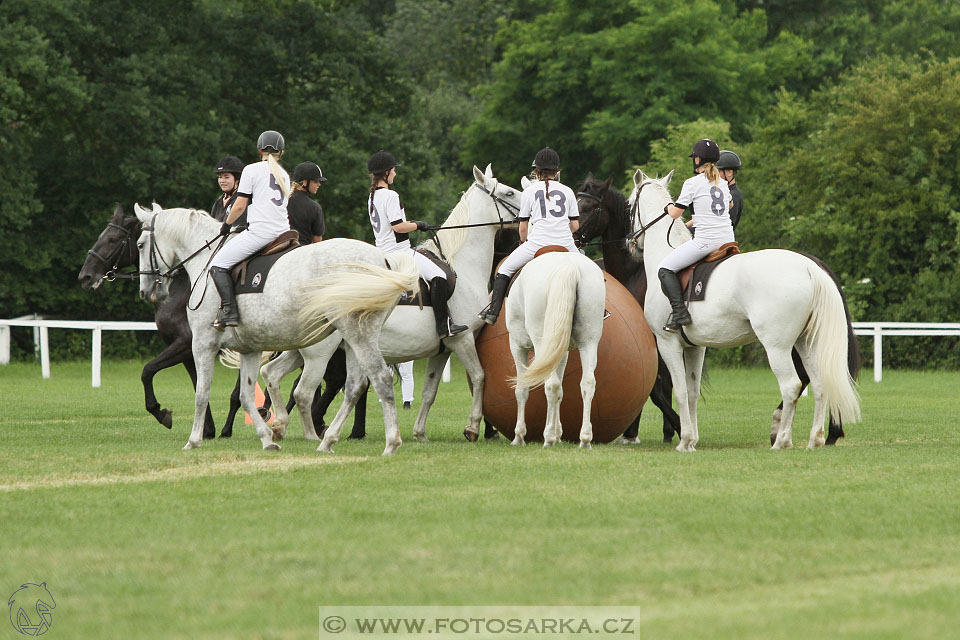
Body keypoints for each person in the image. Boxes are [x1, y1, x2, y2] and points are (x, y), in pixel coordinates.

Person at [366, 150, 466, 338]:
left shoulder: (372, 197)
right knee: (439, 276)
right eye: (394, 170)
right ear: (387, 172)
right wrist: (417, 225)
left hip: (381, 252)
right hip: (400, 253)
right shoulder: (390, 196)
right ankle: (444, 326)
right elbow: (398, 227)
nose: (395, 173)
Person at [480, 147, 579, 325]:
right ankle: (601, 308)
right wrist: (560, 233)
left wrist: (523, 242)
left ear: (536, 171)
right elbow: (575, 225)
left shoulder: (529, 192)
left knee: (505, 269)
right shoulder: (568, 191)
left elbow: (524, 227)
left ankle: (493, 312)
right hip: (566, 245)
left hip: (536, 244)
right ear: (557, 172)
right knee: (592, 272)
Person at [208, 130, 292, 329]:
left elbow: (239, 206)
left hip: (262, 233)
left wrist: (226, 225)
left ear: (259, 150)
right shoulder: (285, 176)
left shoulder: (251, 170)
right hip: (284, 232)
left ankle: (229, 311)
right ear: (281, 152)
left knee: (217, 265)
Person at [657, 138, 734, 332]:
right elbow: (730, 205)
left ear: (697, 159)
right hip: (728, 239)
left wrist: (666, 205)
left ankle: (679, 312)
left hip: (706, 242)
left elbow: (675, 214)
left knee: (664, 269)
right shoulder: (723, 183)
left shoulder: (692, 183)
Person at [288, 161, 327, 245]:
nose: (319, 184)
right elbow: (318, 242)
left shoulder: (282, 201)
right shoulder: (315, 207)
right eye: (316, 181)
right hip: (302, 250)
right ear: (305, 182)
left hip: (281, 249)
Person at [210, 156, 245, 226]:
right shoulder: (219, 201)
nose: (222, 181)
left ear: (237, 180)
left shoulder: (242, 201)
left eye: (226, 177)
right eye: (220, 177)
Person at [716, 150, 743, 230]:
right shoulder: (722, 192)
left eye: (718, 172)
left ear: (730, 173)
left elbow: (726, 224)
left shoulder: (734, 195)